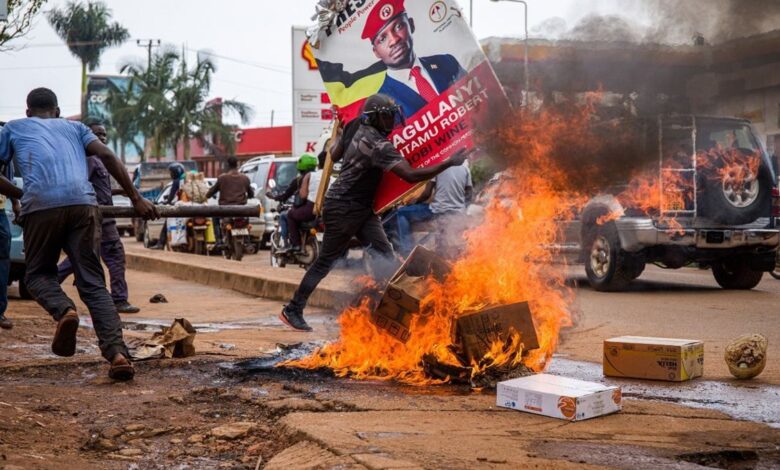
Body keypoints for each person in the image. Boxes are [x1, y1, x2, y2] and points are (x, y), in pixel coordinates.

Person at [0, 88, 158, 380]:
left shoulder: (14, 127)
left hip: (41, 208)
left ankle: (65, 312)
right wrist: (136, 198)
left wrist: (20, 194)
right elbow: (108, 155)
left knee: (37, 276)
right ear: (57, 111)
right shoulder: (76, 128)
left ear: (28, 112)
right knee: (94, 283)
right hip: (84, 205)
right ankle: (118, 354)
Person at [278, 93, 470, 332]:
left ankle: (388, 310)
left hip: (362, 209)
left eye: (393, 116)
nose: (392, 122)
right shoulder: (379, 146)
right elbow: (410, 175)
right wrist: (447, 162)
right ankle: (293, 309)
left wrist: (339, 134)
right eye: (388, 117)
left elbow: (334, 154)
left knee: (386, 255)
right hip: (343, 207)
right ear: (375, 118)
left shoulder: (355, 124)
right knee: (325, 261)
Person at [57, 122, 141, 315]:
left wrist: (122, 190)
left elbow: (100, 188)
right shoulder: (88, 159)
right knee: (115, 255)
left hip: (100, 215)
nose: (102, 138)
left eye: (104, 135)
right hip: (100, 216)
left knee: (81, 256)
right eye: (98, 135)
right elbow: (82, 184)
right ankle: (119, 299)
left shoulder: (95, 160)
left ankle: (49, 283)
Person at [363, 0, 466, 118]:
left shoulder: (447, 62)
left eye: (398, 26)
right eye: (382, 39)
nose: (394, 40)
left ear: (411, 25)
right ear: (376, 52)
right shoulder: (379, 108)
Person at [395, 164, 473, 255]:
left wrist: (411, 203)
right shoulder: (465, 169)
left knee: (401, 212)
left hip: (438, 210)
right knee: (441, 248)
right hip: (456, 212)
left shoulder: (438, 167)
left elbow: (426, 194)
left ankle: (408, 251)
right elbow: (469, 194)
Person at [267, 154, 318, 249]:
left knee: (287, 215)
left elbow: (285, 195)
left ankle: (294, 244)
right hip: (320, 212)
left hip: (307, 210)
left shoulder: (299, 180)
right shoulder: (319, 177)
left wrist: (275, 197)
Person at [0, 156, 18, 330]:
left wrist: (16, 202)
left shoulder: (4, 141)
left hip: (0, 211)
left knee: (3, 259)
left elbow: (8, 177)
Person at [151, 162, 185, 249]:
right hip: (192, 207)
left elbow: (171, 196)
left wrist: (167, 202)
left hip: (180, 208)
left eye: (171, 172)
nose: (171, 174)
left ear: (176, 172)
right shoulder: (186, 179)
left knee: (167, 223)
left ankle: (161, 244)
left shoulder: (177, 181)